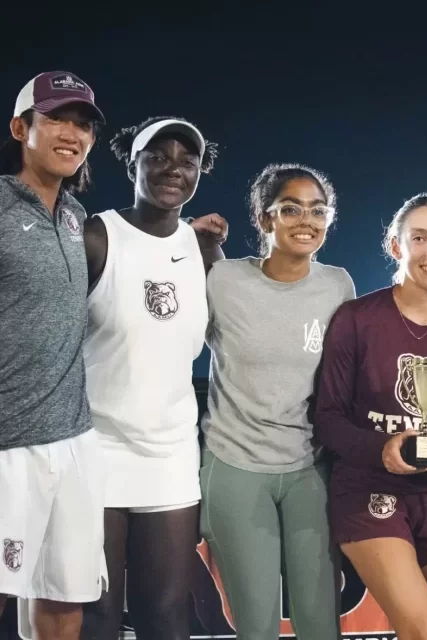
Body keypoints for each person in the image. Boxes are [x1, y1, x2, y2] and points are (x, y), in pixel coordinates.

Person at [315, 193, 427, 640]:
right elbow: (329, 417)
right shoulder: (356, 319)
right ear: (396, 246)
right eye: (419, 238)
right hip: (370, 488)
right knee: (419, 627)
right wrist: (384, 449)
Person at [78, 116, 223, 640]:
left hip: (169, 454)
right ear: (131, 163)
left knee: (164, 614)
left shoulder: (204, 249)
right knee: (96, 613)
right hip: (94, 450)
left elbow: (230, 341)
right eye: (158, 156)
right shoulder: (97, 236)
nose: (173, 169)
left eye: (188, 161)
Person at [199, 163, 355, 640]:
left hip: (311, 467)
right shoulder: (222, 280)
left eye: (317, 210)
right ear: (264, 219)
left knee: (319, 620)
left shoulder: (338, 286)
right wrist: (203, 240)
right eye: (290, 209)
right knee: (257, 622)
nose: (305, 220)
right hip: (236, 464)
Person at [0, 70, 107, 640]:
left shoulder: (75, 218)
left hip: (74, 441)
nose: (72, 133)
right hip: (6, 444)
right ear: (21, 127)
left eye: (83, 123)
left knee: (65, 600)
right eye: (57, 118)